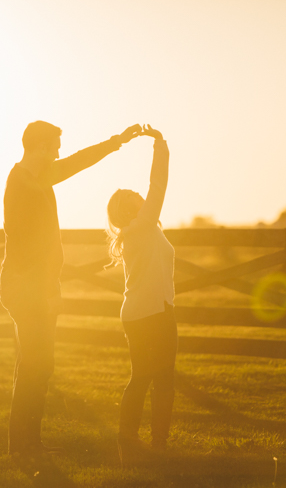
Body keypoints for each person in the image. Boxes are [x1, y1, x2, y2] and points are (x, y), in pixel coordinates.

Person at [0, 121, 142, 457]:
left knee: (34, 364)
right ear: (40, 147)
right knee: (38, 364)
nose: (59, 153)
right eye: (55, 146)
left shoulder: (38, 178)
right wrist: (48, 289)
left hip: (33, 286)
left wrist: (116, 142)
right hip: (27, 287)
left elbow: (80, 160)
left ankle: (24, 444)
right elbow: (25, 246)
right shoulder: (21, 183)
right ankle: (25, 446)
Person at [106, 125, 176, 467]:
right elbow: (158, 186)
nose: (141, 195)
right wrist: (159, 145)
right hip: (146, 313)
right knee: (149, 378)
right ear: (129, 208)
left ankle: (152, 442)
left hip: (156, 310)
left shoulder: (145, 230)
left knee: (160, 378)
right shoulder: (140, 227)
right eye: (134, 194)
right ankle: (134, 440)